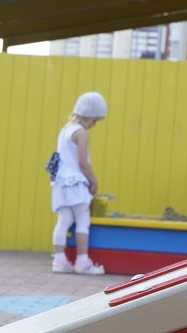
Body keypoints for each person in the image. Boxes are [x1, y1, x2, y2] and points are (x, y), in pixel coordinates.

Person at [50, 92, 107, 275]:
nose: (94, 125)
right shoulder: (81, 133)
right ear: (88, 115)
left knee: (63, 220)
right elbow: (83, 162)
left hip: (60, 183)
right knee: (83, 221)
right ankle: (83, 262)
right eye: (94, 120)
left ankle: (59, 261)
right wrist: (93, 181)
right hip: (76, 184)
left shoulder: (65, 130)